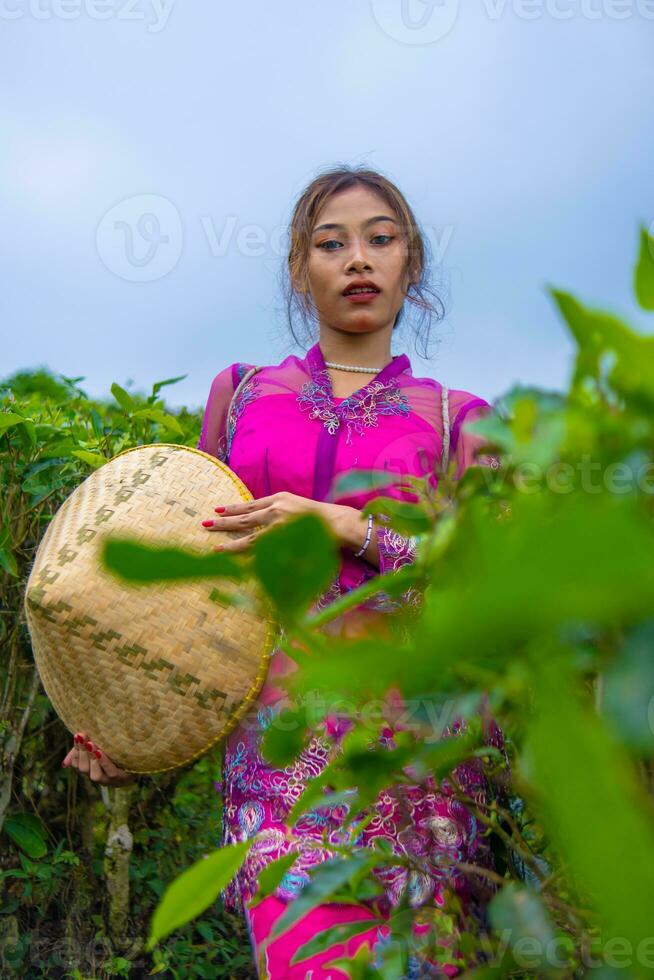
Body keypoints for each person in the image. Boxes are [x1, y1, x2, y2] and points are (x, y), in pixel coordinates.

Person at [63, 166, 505, 979]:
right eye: (331, 244)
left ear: (413, 265)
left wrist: (350, 526)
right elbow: (191, 587)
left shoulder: (457, 420)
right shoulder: (242, 398)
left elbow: (490, 595)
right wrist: (134, 724)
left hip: (423, 784)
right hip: (277, 774)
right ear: (301, 268)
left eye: (381, 239)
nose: (358, 259)